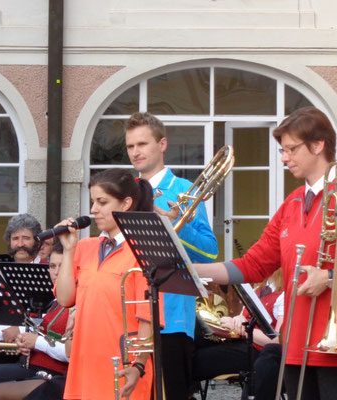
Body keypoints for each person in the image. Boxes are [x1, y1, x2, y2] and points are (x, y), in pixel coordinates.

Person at [194, 106, 337, 400]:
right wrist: (194, 268)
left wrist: (328, 277)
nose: (284, 157)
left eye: (291, 149)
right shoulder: (293, 202)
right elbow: (255, 264)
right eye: (283, 150)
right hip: (295, 343)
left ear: (318, 145)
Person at [125, 111, 218, 399]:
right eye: (130, 146)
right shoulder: (125, 190)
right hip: (127, 313)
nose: (136, 152)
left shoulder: (184, 191)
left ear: (162, 144)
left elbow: (209, 253)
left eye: (143, 144)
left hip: (171, 317)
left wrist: (174, 226)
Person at [56, 168, 161, 400]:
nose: (94, 210)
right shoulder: (84, 247)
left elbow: (147, 317)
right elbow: (64, 298)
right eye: (93, 202)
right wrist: (68, 250)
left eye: (102, 202)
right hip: (85, 361)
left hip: (122, 365)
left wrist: (138, 366)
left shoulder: (142, 250)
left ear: (125, 204)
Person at [0, 241, 71, 400]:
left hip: (56, 374)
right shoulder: (56, 300)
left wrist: (37, 342)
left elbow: (70, 352)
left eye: (62, 266)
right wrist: (27, 341)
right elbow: (50, 334)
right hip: (30, 365)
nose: (56, 272)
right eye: (52, 266)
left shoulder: (76, 301)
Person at [193, 269, 284, 400]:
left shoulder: (284, 295)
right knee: (191, 345)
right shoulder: (258, 289)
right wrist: (233, 320)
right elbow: (242, 319)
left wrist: (243, 329)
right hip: (244, 344)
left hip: (260, 352)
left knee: (195, 361)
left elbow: (277, 341)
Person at [0, 213, 44, 365]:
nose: (20, 244)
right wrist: (6, 334)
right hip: (2, 347)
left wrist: (19, 331)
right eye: (15, 239)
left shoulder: (48, 271)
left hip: (37, 351)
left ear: (37, 242)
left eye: (26, 238)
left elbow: (52, 317)